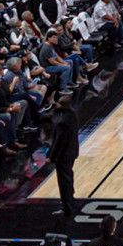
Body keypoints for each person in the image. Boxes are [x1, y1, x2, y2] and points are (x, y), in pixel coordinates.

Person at [51, 96, 81, 224]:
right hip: (73, 150)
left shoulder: (62, 121)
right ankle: (71, 199)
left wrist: (51, 156)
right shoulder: (73, 114)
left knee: (63, 180)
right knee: (69, 175)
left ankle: (67, 206)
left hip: (64, 154)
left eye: (58, 103)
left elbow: (59, 142)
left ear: (62, 105)